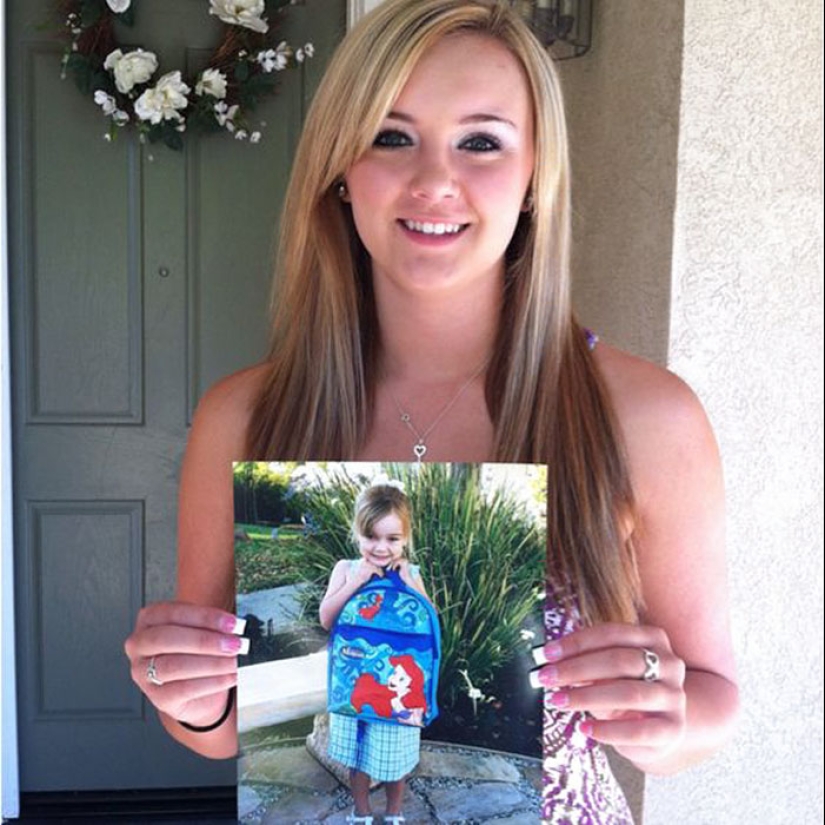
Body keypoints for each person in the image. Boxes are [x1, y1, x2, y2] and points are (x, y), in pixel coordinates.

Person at [124, 1, 739, 821]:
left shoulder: (647, 418)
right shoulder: (240, 415)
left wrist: (662, 716)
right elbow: (217, 728)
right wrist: (187, 691)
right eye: (390, 136)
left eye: (481, 142)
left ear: (534, 176)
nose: (433, 181)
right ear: (340, 170)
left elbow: (712, 699)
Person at [319, 480, 432, 824]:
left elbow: (431, 620)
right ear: (357, 533)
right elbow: (326, 619)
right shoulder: (346, 569)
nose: (381, 548)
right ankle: (361, 812)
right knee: (357, 756)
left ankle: (394, 813)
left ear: (406, 538)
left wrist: (410, 585)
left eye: (392, 539)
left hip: (399, 689)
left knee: (397, 758)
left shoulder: (411, 573)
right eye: (371, 537)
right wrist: (356, 582)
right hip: (355, 685)